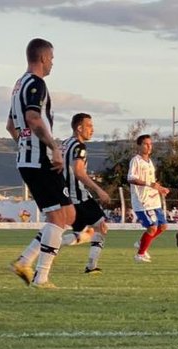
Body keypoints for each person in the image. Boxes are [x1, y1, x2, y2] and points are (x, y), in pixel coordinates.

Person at [7, 38, 75, 289]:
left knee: (68, 213)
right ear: (44, 57)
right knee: (59, 217)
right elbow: (33, 119)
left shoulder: (18, 85)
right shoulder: (36, 83)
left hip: (30, 159)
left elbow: (11, 126)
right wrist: (54, 148)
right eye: (52, 59)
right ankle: (40, 277)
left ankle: (25, 261)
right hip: (39, 160)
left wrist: (24, 144)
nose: (53, 63)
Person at [59, 113, 111, 274]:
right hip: (79, 195)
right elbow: (79, 172)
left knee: (85, 232)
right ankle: (91, 266)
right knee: (101, 228)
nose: (92, 130)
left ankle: (52, 243)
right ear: (79, 128)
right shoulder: (79, 147)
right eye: (89, 126)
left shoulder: (65, 143)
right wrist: (99, 190)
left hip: (67, 194)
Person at [127, 134, 170, 262]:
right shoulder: (136, 160)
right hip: (143, 201)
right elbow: (131, 178)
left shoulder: (150, 162)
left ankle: (142, 243)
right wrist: (150, 184)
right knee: (152, 228)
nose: (149, 146)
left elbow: (152, 182)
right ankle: (140, 254)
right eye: (146, 144)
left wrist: (160, 189)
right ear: (139, 146)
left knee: (163, 227)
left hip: (154, 200)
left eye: (150, 144)